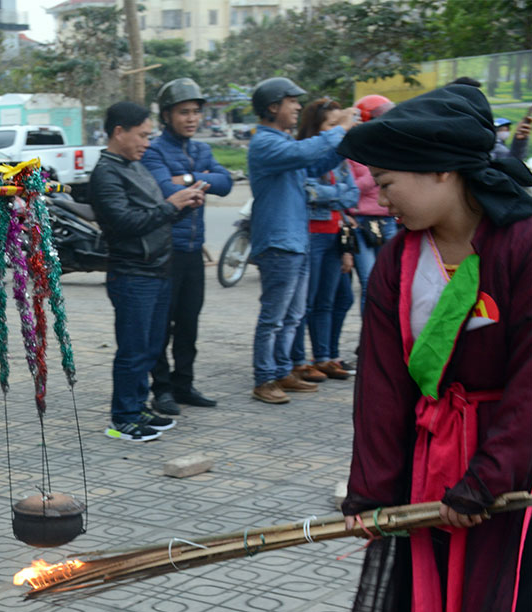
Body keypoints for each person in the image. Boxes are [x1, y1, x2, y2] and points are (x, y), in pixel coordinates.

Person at [336, 84, 532, 612]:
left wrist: (488, 477)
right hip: (428, 476)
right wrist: (371, 496)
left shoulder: (523, 245)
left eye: (386, 182)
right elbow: (383, 387)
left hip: (507, 480)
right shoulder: (399, 259)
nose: (378, 196)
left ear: (441, 171)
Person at [90, 101, 206, 442]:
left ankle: (138, 406)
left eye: (149, 135)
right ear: (118, 132)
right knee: (133, 348)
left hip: (158, 269)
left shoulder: (135, 166)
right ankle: (123, 418)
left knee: (151, 346)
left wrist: (183, 206)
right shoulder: (106, 172)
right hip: (132, 273)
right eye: (141, 135)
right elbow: (125, 223)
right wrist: (171, 206)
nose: (147, 142)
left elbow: (157, 217)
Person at [246, 77, 358, 404]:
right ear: (272, 106)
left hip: (297, 240)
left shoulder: (282, 142)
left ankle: (283, 371)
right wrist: (340, 129)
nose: (297, 107)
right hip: (280, 243)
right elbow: (305, 151)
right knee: (274, 317)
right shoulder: (266, 143)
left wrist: (343, 140)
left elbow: (316, 161)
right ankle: (264, 378)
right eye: (291, 101)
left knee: (293, 316)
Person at [141, 78, 232, 415]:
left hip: (194, 252)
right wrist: (199, 178)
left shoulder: (201, 149)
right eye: (184, 112)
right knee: (161, 326)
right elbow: (166, 190)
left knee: (189, 324)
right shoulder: (153, 151)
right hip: (167, 253)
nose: (192, 119)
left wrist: (189, 179)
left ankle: (184, 384)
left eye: (195, 112)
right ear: (167, 115)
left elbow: (224, 183)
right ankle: (161, 389)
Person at [288, 98, 360, 383]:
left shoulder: (339, 156)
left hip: (335, 235)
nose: (339, 130)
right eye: (332, 125)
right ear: (315, 128)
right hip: (310, 235)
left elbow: (352, 195)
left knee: (327, 301)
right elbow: (307, 191)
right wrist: (336, 194)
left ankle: (324, 357)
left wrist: (330, 193)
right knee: (304, 303)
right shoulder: (302, 155)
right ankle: (297, 361)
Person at [348, 94, 399, 315]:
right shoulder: (352, 148)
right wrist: (376, 173)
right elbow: (350, 188)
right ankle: (368, 337)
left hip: (388, 219)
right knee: (370, 283)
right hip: (360, 223)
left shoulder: (390, 145)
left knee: (390, 282)